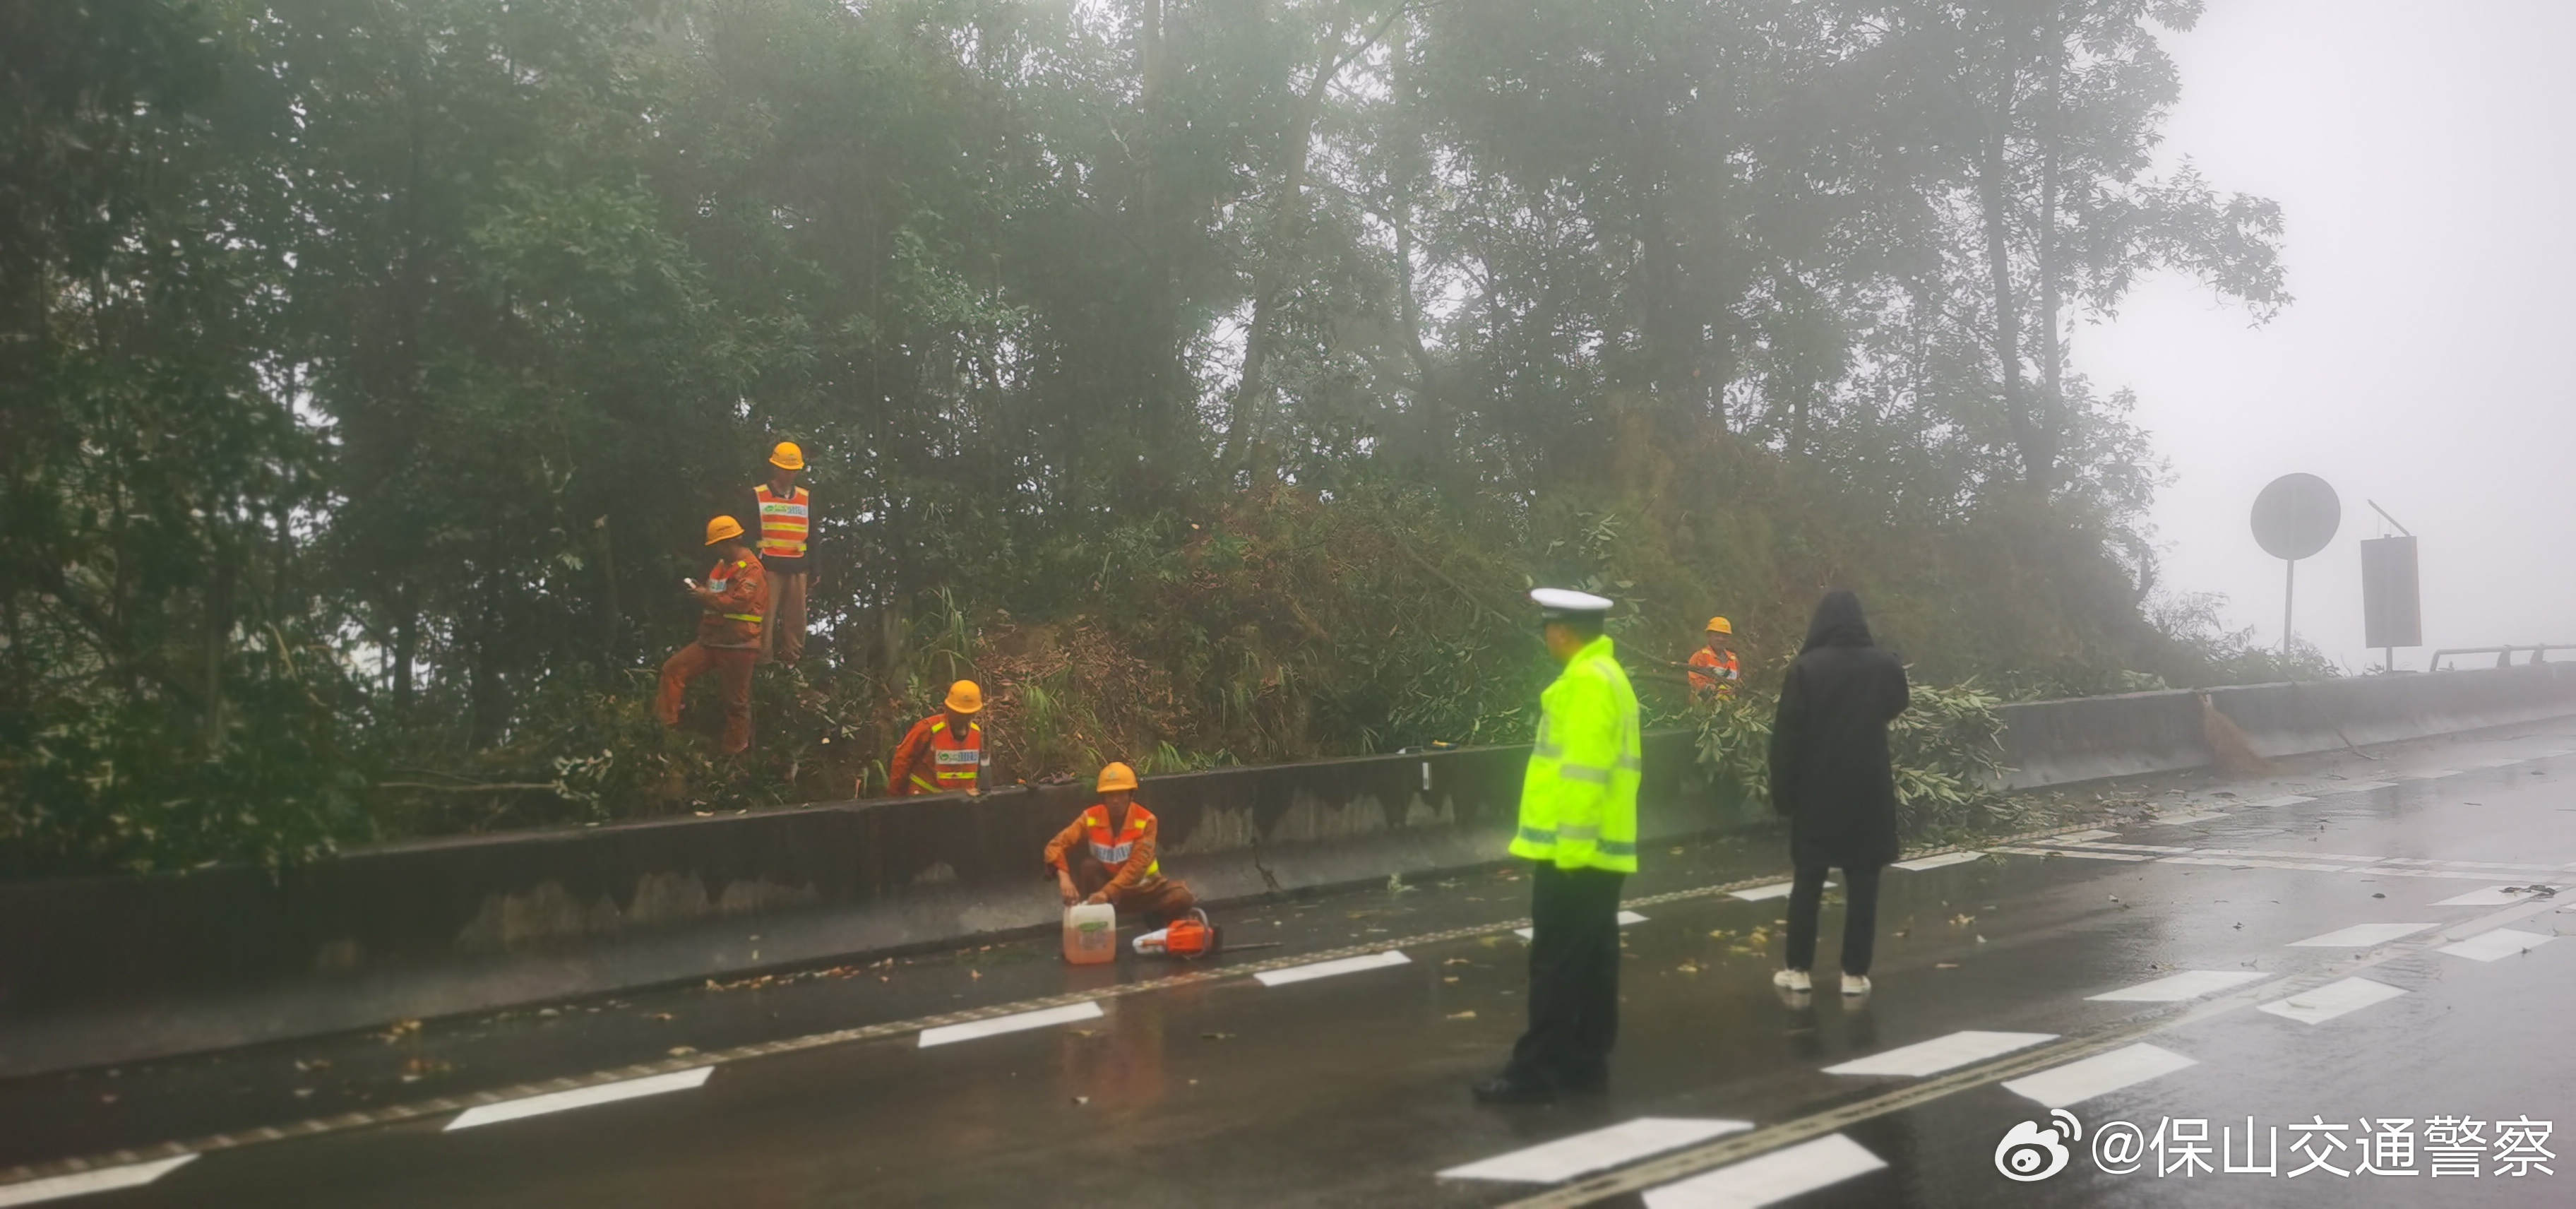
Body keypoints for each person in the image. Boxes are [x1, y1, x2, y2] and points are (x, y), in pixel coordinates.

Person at [1474, 588, 1641, 1105]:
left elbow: (1584, 774)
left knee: (1556, 961)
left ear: (1562, 631)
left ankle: (1537, 1068)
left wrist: (1570, 852)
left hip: (1576, 853)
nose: (1546, 637)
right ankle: (1585, 1062)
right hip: (1601, 850)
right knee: (1593, 960)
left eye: (1548, 628)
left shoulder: (1587, 682)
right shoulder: (1610, 676)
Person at [1767, 590, 1910, 997]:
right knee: (1864, 883)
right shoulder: (1885, 666)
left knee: (1808, 881)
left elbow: (1786, 738)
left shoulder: (1805, 669)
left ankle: (1798, 970)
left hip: (1817, 793)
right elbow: (1896, 704)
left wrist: (1783, 795)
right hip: (1868, 792)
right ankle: (1854, 975)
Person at [657, 516, 769, 754]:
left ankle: (735, 751)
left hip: (739, 644)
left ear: (731, 541)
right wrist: (702, 592)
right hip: (711, 641)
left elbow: (739, 603)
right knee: (673, 670)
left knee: (735, 702)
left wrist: (705, 596)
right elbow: (717, 597)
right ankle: (664, 730)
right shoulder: (721, 566)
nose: (717, 549)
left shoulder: (752, 569)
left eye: (719, 544)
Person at [1045, 762, 1198, 924]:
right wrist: (1064, 878)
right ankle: (1086, 921)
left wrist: (1107, 892)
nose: (1116, 801)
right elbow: (1056, 845)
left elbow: (1137, 866)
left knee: (1182, 897)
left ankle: (1156, 918)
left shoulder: (1146, 820)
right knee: (1088, 867)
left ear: (1131, 795)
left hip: (1146, 890)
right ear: (1103, 798)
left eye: (1121, 794)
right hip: (1111, 893)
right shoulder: (1090, 817)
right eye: (1110, 795)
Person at [748, 441, 812, 667]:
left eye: (793, 470)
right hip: (769, 567)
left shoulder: (805, 497)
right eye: (785, 469)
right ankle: (763, 664)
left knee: (796, 620)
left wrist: (815, 568)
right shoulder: (758, 495)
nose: (789, 474)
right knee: (765, 618)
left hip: (798, 567)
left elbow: (814, 535)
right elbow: (750, 533)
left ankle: (791, 665)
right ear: (775, 468)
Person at [882, 680, 986, 797]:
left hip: (960, 803)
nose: (964, 719)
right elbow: (902, 761)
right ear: (948, 708)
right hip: (925, 801)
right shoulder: (927, 729)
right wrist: (895, 798)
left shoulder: (976, 734)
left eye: (968, 714)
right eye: (959, 714)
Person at [1688, 616, 1742, 699]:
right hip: (1706, 704)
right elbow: (1695, 682)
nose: (1721, 639)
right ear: (1709, 636)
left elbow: (1737, 683)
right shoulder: (1700, 656)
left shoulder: (1733, 659)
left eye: (1724, 636)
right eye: (1717, 635)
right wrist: (1709, 688)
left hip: (1729, 705)